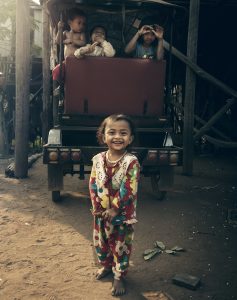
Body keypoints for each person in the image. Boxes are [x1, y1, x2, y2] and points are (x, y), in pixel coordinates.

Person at [89, 114, 140, 297]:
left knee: (120, 246)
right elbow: (93, 183)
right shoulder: (98, 159)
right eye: (112, 132)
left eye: (123, 133)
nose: (117, 136)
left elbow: (129, 188)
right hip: (101, 214)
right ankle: (106, 266)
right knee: (101, 243)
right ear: (103, 136)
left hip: (122, 216)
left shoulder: (131, 162)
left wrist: (115, 208)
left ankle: (119, 275)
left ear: (130, 138)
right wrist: (98, 207)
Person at [53, 8, 87, 83]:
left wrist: (72, 41)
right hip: (66, 61)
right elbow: (58, 41)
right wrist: (59, 29)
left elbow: (83, 43)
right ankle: (59, 85)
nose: (81, 26)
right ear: (70, 23)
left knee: (76, 76)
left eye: (83, 24)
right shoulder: (66, 33)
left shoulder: (81, 34)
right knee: (56, 71)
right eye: (79, 23)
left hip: (78, 60)